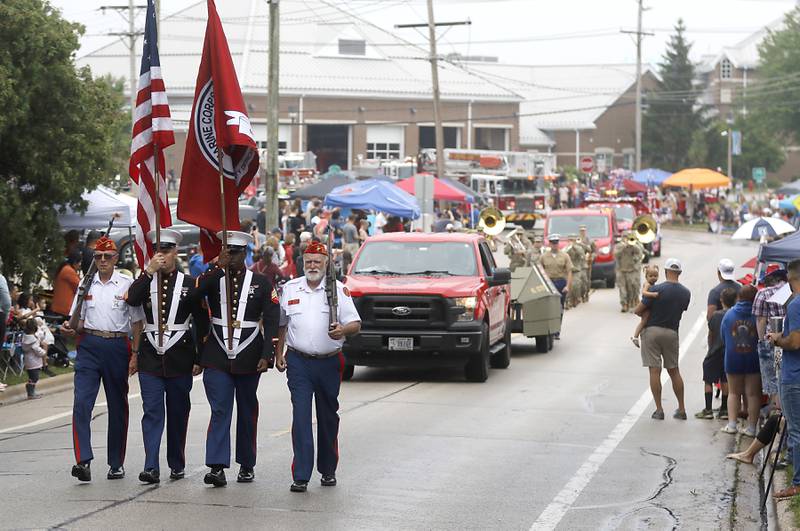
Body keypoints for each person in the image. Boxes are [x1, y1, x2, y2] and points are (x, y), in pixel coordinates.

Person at [194, 231, 280, 487]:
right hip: (217, 353)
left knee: (246, 410)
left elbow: (273, 316)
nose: (230, 257)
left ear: (244, 254)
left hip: (249, 352)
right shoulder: (213, 278)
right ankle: (217, 466)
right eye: (226, 252)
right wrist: (215, 267)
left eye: (234, 253)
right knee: (220, 409)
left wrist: (268, 354)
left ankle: (246, 463)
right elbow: (192, 296)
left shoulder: (262, 283)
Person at [276, 241, 361, 493]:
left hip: (329, 362)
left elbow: (356, 324)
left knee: (327, 417)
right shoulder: (291, 289)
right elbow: (282, 324)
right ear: (303, 263)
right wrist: (279, 352)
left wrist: (342, 330)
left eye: (318, 262)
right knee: (300, 417)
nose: (312, 266)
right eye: (309, 261)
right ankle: (301, 474)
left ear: (326, 264)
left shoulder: (338, 290)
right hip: (298, 361)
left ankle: (327, 470)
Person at [126, 229, 209, 484]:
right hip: (151, 354)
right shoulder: (146, 280)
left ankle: (176, 461)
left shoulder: (189, 283)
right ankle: (151, 466)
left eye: (166, 251)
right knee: (151, 411)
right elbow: (132, 300)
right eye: (157, 251)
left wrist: (199, 357)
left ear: (176, 252)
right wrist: (148, 271)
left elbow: (202, 322)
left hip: (180, 355)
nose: (161, 255)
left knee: (177, 411)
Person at [60, 236, 146, 482]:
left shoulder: (126, 283)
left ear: (116, 258)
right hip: (89, 345)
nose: (103, 261)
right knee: (82, 403)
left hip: (117, 345)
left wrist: (135, 354)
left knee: (118, 406)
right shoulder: (86, 285)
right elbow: (76, 321)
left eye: (108, 256)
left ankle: (116, 463)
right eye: (98, 257)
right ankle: (82, 460)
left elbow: (137, 322)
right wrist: (70, 326)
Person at [634, 258, 691, 420]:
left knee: (654, 370)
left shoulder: (655, 289)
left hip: (652, 331)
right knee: (674, 370)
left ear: (665, 272)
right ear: (679, 273)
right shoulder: (686, 292)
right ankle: (681, 409)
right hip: (672, 332)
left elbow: (639, 310)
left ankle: (659, 410)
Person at [768, 259, 800, 499]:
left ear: (791, 279)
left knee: (797, 432)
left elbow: (795, 342)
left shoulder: (795, 305)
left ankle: (798, 483)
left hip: (794, 376)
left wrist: (778, 339)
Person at [719, 285, 762, 437]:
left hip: (733, 357)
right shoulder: (758, 315)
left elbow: (723, 336)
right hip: (753, 358)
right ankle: (751, 428)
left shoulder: (729, 314)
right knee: (753, 394)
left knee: (733, 392)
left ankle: (732, 425)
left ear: (739, 297)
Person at [695, 288, 735, 420]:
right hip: (729, 352)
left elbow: (711, 334)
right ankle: (724, 409)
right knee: (725, 380)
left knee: (708, 380)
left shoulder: (716, 316)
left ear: (721, 300)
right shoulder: (735, 315)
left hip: (715, 351)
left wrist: (710, 349)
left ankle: (708, 409)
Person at [753, 268, 787, 406]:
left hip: (770, 342)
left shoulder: (763, 293)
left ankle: (776, 411)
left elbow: (761, 320)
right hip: (788, 341)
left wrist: (761, 341)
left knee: (773, 380)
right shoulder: (791, 292)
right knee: (783, 377)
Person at [540, 234, 573, 318]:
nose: (554, 245)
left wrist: (567, 286)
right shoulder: (544, 256)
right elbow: (540, 271)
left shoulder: (565, 256)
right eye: (552, 243)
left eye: (556, 243)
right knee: (548, 306)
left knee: (560, 306)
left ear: (558, 243)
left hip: (560, 282)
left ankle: (557, 327)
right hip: (549, 283)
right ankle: (550, 327)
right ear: (549, 244)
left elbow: (569, 271)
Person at [614, 233, 644, 313]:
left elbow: (640, 254)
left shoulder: (635, 245)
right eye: (625, 237)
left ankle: (632, 302)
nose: (626, 239)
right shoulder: (619, 246)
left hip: (632, 270)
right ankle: (624, 304)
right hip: (621, 270)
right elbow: (616, 255)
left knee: (632, 287)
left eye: (627, 238)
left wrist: (634, 251)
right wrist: (623, 248)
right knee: (622, 288)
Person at [631, 265, 659, 348]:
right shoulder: (647, 284)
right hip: (645, 306)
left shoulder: (652, 284)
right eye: (650, 276)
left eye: (655, 276)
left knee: (646, 320)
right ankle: (635, 336)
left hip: (648, 305)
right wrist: (653, 294)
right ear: (646, 276)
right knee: (644, 321)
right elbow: (643, 292)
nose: (653, 278)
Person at [51, 251, 82, 318]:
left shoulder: (65, 268)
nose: (80, 264)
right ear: (74, 262)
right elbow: (80, 287)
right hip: (65, 309)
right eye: (79, 262)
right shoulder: (69, 271)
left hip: (59, 308)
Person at [21, 319, 47, 399]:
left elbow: (40, 336)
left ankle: (32, 392)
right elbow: (36, 349)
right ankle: (31, 393)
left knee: (32, 376)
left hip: (29, 360)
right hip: (34, 361)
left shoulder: (27, 337)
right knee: (35, 377)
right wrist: (44, 352)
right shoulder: (33, 340)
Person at [565, 235, 586, 309]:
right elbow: (563, 254)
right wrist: (569, 247)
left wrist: (574, 247)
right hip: (568, 270)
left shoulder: (579, 248)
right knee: (568, 286)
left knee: (575, 284)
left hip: (576, 269)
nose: (571, 242)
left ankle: (576, 297)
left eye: (573, 240)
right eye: (570, 240)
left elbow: (582, 255)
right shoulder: (566, 248)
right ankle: (568, 301)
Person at [577, 225, 595, 302]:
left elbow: (593, 251)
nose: (582, 232)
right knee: (579, 280)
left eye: (583, 231)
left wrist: (592, 258)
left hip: (586, 263)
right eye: (581, 231)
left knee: (586, 280)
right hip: (578, 263)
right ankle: (579, 296)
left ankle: (586, 293)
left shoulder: (590, 241)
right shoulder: (576, 239)